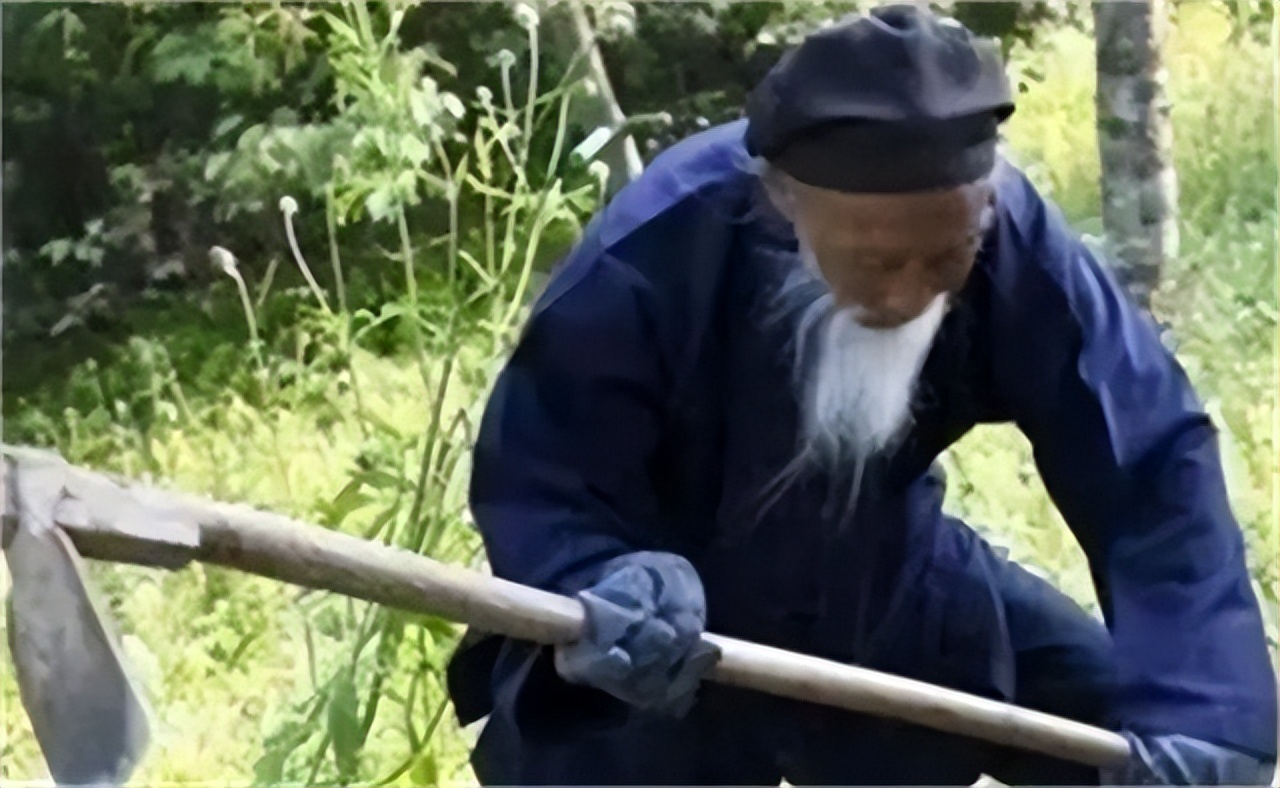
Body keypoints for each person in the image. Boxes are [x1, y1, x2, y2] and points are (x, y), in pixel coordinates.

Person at [445, 5, 1278, 785]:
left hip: (887, 577)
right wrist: (601, 575)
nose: (908, 294)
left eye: (944, 259)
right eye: (875, 263)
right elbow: (545, 475)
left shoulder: (1010, 236)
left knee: (1161, 746)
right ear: (783, 202)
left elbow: (1146, 460)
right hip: (665, 621)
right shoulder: (654, 252)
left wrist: (1206, 707)